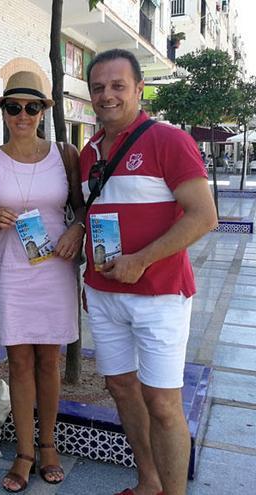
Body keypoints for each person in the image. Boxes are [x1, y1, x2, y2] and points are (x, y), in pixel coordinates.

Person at [81, 49, 217, 495]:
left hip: (159, 294)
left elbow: (203, 216)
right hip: (104, 292)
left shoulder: (169, 140)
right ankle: (148, 484)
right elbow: (95, 211)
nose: (107, 95)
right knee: (121, 389)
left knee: (162, 403)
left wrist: (141, 260)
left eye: (118, 86)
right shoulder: (89, 152)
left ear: (140, 89)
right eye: (99, 87)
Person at [0, 71, 85, 492]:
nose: (22, 115)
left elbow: (81, 207)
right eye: (14, 107)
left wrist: (76, 229)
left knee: (49, 360)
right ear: (4, 111)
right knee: (19, 362)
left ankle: (48, 445)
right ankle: (24, 452)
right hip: (11, 270)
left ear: (44, 111)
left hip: (55, 267)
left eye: (32, 107)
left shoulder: (66, 154)